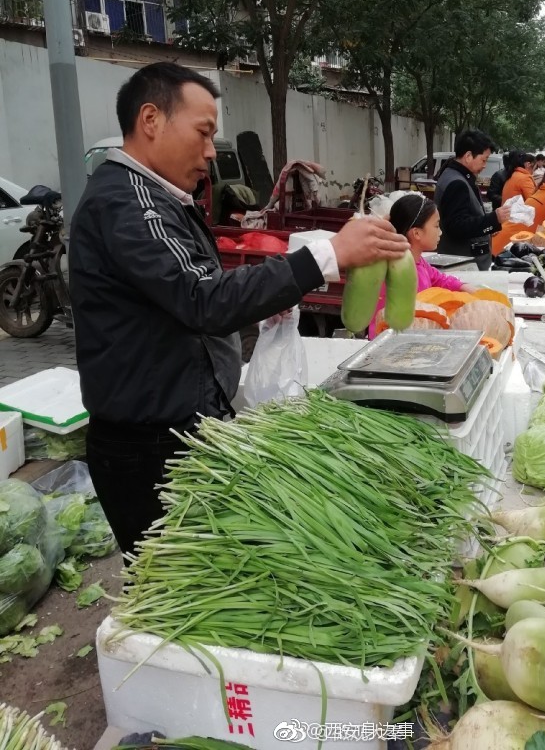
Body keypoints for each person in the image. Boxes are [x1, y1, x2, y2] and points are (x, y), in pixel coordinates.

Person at [68, 62, 409, 555]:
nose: (211, 152)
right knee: (176, 589)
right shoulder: (128, 202)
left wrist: (257, 304)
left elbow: (186, 294)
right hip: (150, 448)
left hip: (182, 429)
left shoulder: (160, 197)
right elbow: (200, 299)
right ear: (151, 120)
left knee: (204, 573)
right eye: (203, 133)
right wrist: (327, 255)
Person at [368, 194, 476, 337]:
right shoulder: (400, 271)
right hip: (391, 342)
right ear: (417, 233)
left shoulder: (417, 260)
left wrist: (463, 286)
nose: (440, 232)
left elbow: (438, 278)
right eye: (436, 226)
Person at [435, 129, 511, 270]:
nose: (484, 165)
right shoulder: (457, 183)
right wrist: (493, 219)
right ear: (468, 156)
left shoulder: (454, 174)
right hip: (463, 263)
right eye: (484, 160)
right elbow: (457, 226)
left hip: (464, 260)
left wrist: (487, 225)